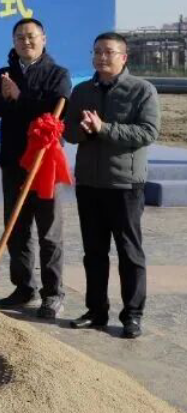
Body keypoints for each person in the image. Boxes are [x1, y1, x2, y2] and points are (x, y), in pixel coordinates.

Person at [64, 32, 159, 339]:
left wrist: (104, 128)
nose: (101, 57)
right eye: (97, 52)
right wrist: (83, 130)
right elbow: (68, 132)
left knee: (129, 253)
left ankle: (132, 315)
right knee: (94, 252)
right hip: (89, 183)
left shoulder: (142, 90)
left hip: (124, 185)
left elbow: (147, 132)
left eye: (108, 52)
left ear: (124, 57)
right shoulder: (82, 91)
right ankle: (96, 311)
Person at [0, 17, 72, 320]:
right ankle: (24, 287)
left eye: (31, 36)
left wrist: (20, 97)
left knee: (49, 231)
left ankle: (53, 293)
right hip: (13, 161)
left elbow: (54, 113)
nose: (26, 42)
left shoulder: (58, 74)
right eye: (20, 37)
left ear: (43, 39)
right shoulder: (3, 74)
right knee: (16, 229)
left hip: (44, 163)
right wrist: (4, 96)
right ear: (13, 42)